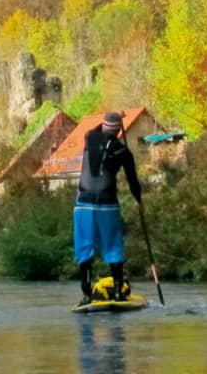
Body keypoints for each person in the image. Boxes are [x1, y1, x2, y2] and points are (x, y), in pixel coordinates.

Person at [74, 111, 142, 305]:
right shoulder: (123, 151)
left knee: (85, 247)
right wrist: (139, 200)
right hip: (108, 205)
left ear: (103, 125)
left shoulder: (90, 137)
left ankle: (87, 295)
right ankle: (119, 293)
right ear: (119, 130)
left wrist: (115, 117)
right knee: (113, 246)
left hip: (83, 205)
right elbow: (132, 180)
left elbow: (98, 128)